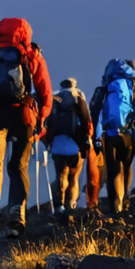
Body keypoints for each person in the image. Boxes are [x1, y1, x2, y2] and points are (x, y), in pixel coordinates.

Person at [0, 18, 52, 239]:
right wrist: (42, 120)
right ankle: (16, 215)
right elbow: (45, 91)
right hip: (23, 117)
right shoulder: (32, 54)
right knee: (19, 166)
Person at [89, 59, 135, 214]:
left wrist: (95, 137)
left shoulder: (104, 88)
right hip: (129, 135)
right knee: (126, 166)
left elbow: (93, 112)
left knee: (114, 170)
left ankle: (116, 206)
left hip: (109, 135)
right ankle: (126, 199)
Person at [42, 77, 92, 220]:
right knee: (74, 177)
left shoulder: (55, 99)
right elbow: (86, 120)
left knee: (61, 176)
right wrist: (87, 141)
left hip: (57, 144)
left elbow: (48, 123)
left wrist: (47, 144)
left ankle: (59, 207)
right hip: (74, 145)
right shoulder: (78, 97)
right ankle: (71, 205)